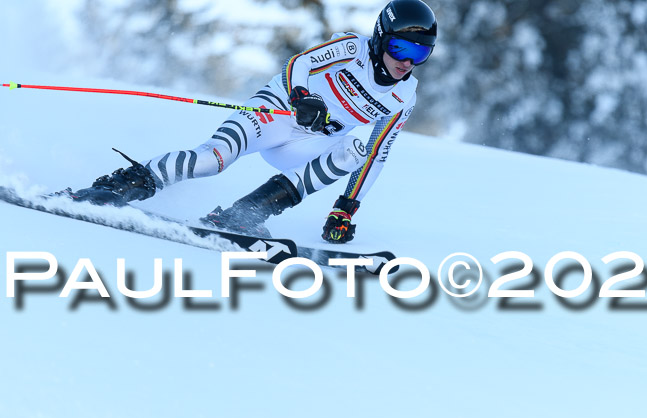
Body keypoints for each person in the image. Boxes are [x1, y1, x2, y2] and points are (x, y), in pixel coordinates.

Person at [69, 0, 438, 244]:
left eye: (420, 53)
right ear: (380, 38)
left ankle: (243, 216)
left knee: (357, 150)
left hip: (307, 146)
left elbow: (378, 154)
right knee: (212, 160)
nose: (406, 62)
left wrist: (346, 207)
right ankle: (124, 185)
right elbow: (300, 64)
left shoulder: (403, 97)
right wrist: (300, 97)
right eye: (400, 48)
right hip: (276, 113)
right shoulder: (352, 49)